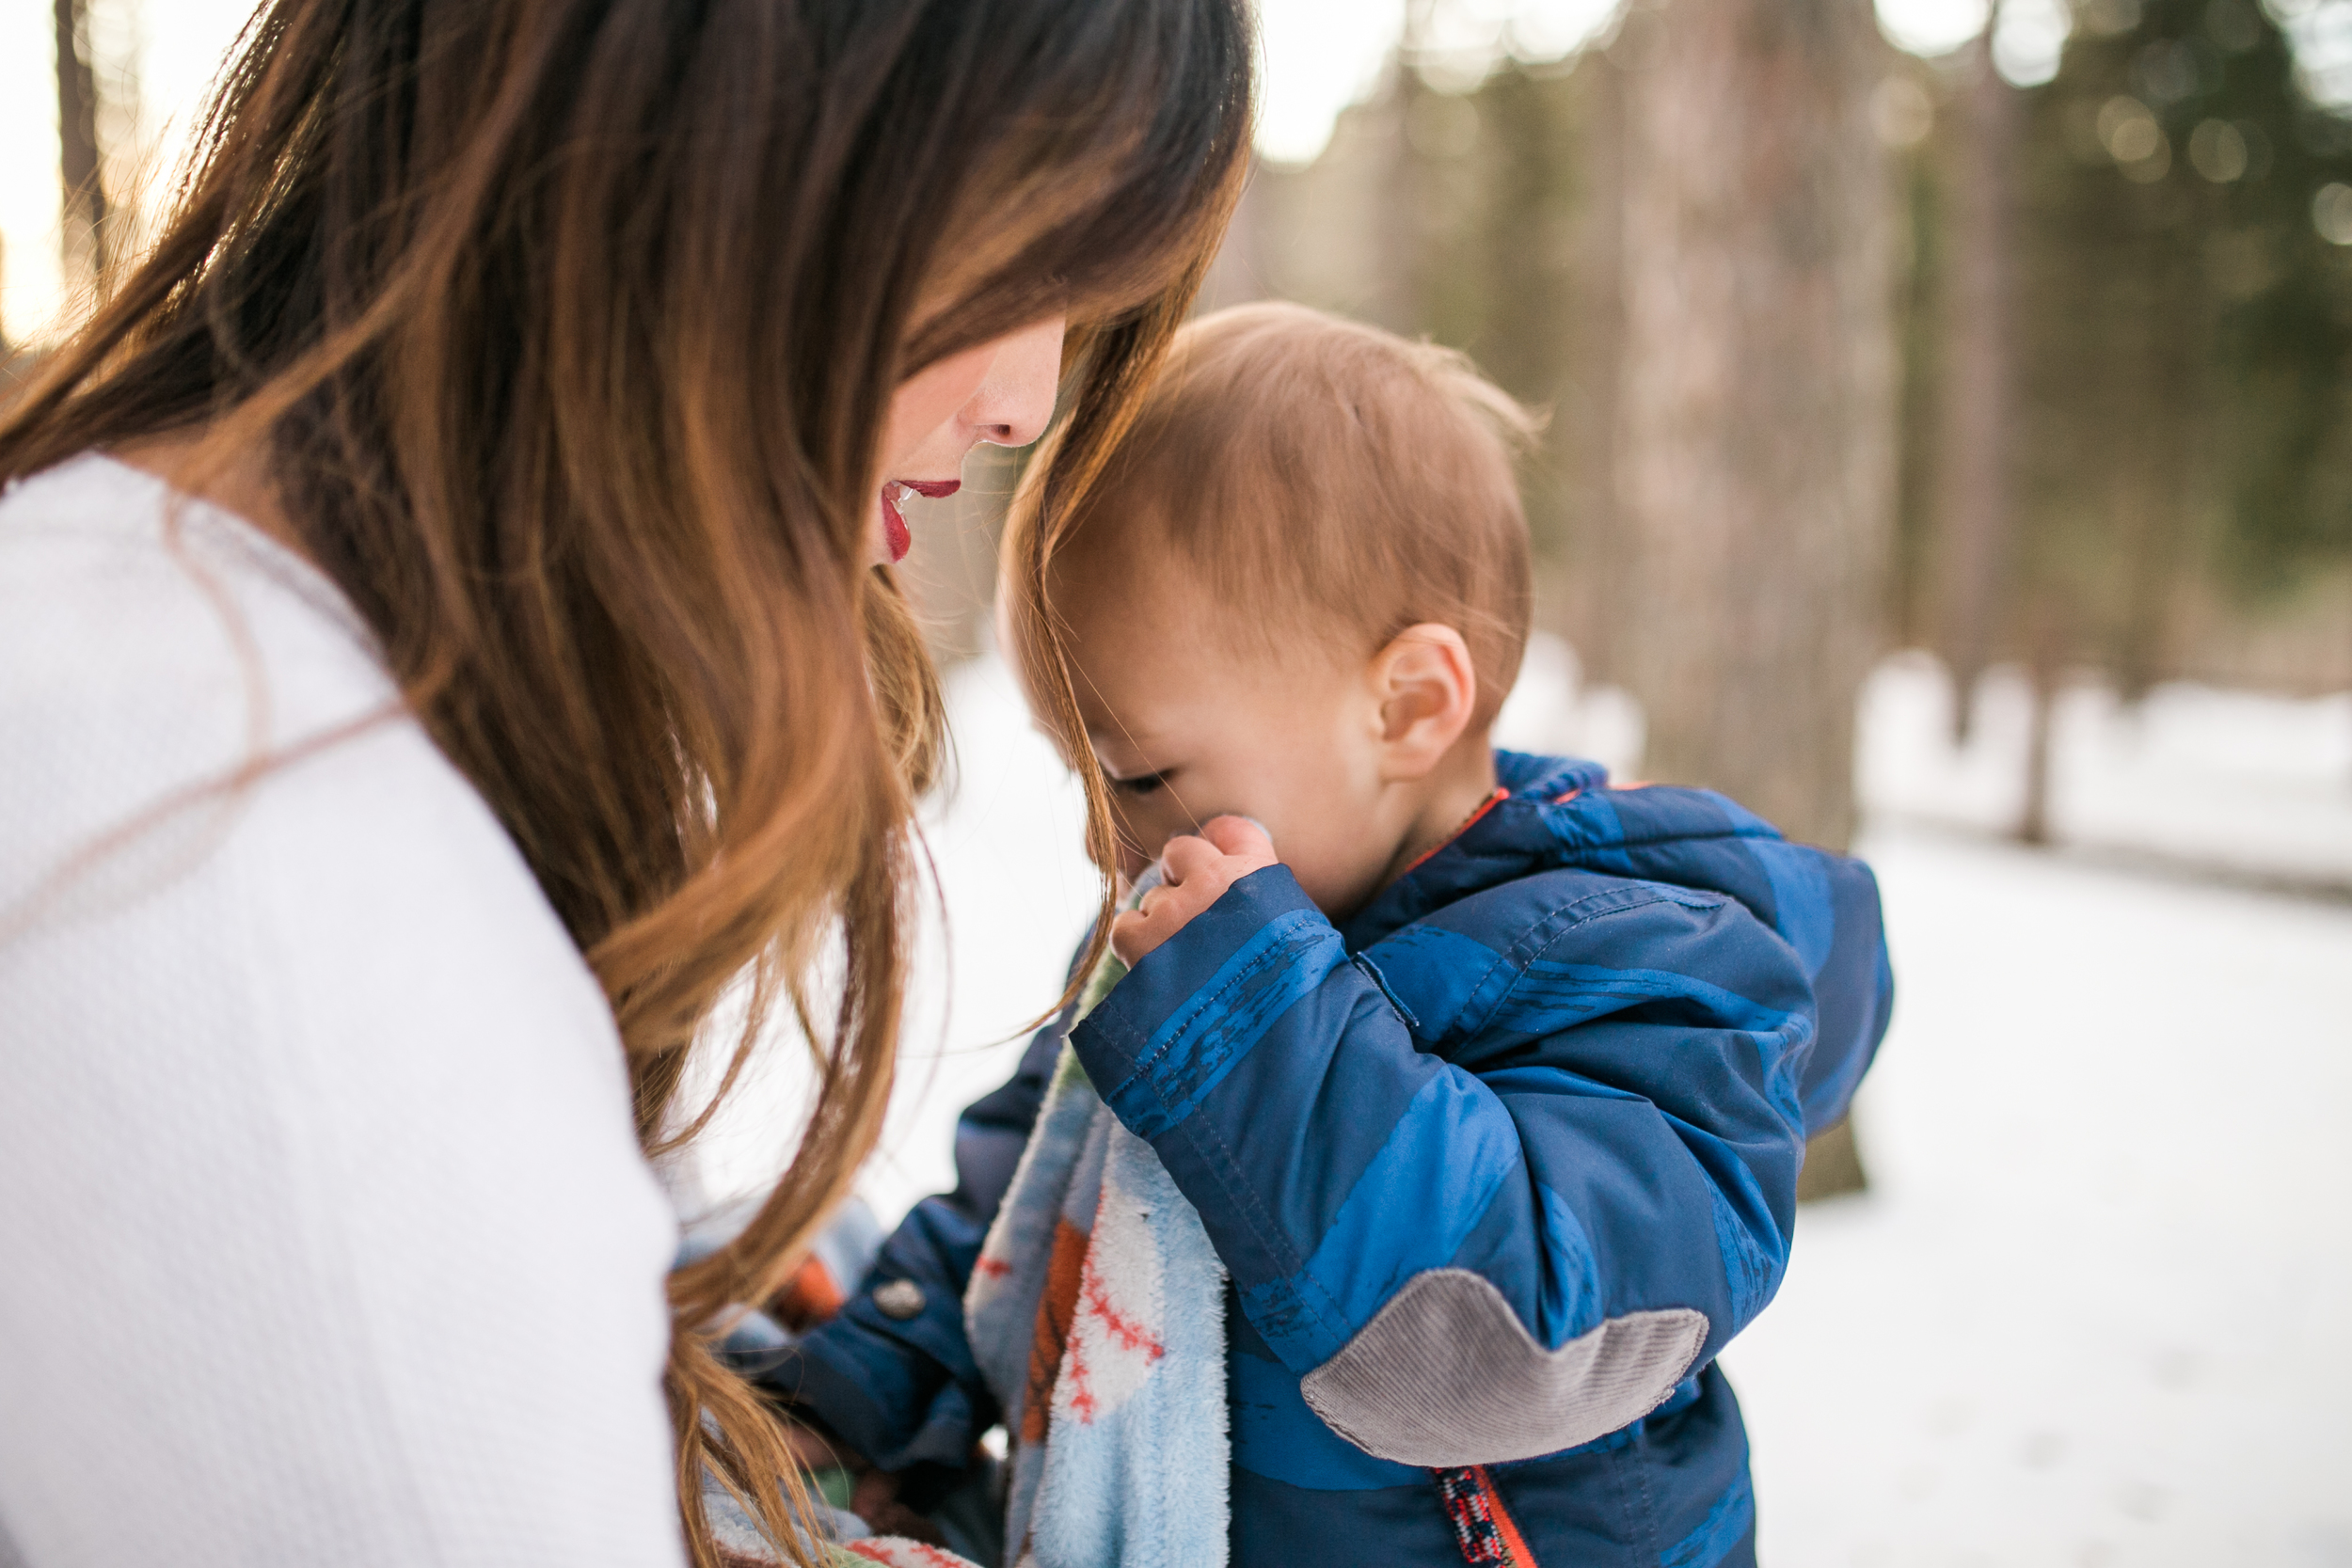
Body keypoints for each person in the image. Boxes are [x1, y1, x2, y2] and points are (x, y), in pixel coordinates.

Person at [0, 3, 1250, 1565]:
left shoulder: (235, 698)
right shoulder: (225, 860)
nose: (1025, 401)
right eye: (1020, 245)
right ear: (725, 138)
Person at [771, 304, 1894, 1566]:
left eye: (1138, 778)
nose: (1107, 845)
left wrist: (1259, 1030)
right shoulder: (1220, 955)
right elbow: (1031, 1211)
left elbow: (1497, 1346)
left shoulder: (1653, 980)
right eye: (1081, 782)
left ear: (1409, 706)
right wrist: (863, 1388)